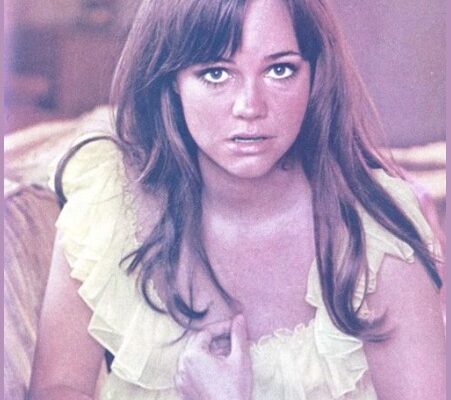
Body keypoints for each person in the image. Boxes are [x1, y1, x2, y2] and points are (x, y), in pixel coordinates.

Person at [28, 0, 445, 399]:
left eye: (280, 70)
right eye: (216, 73)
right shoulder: (110, 204)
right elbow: (54, 389)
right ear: (171, 81)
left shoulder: (375, 239)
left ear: (315, 75)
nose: (250, 106)